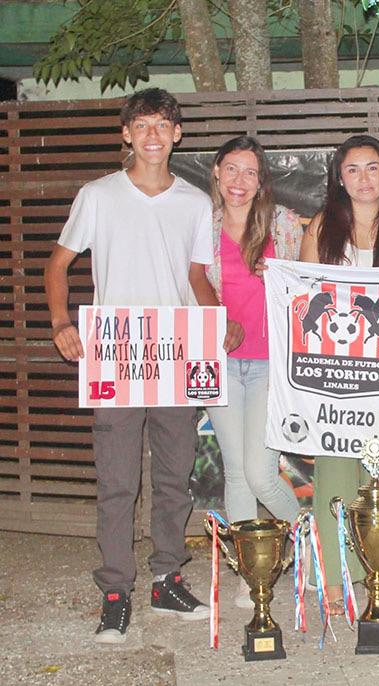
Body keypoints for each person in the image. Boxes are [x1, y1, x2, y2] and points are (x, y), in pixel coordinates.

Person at [44, 88, 219, 643]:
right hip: (116, 352)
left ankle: (167, 579)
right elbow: (58, 265)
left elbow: (196, 277)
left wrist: (217, 321)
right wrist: (61, 323)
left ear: (177, 134)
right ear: (126, 134)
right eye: (141, 125)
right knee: (117, 481)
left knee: (174, 476)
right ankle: (116, 591)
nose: (152, 135)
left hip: (175, 352)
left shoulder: (195, 202)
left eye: (162, 125)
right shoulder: (98, 195)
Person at [300, 135, 379, 607]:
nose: (363, 178)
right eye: (352, 169)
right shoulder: (322, 225)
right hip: (334, 369)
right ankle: (333, 574)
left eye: (372, 168)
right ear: (339, 177)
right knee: (334, 469)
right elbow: (304, 292)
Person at [202, 136, 303, 608]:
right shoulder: (201, 224)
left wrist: (281, 275)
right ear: (217, 172)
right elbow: (190, 280)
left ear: (261, 181)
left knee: (261, 475)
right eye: (231, 169)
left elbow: (312, 284)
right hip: (219, 360)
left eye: (250, 172)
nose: (239, 181)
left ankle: (308, 546)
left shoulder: (284, 224)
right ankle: (252, 574)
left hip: (270, 363)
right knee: (237, 474)